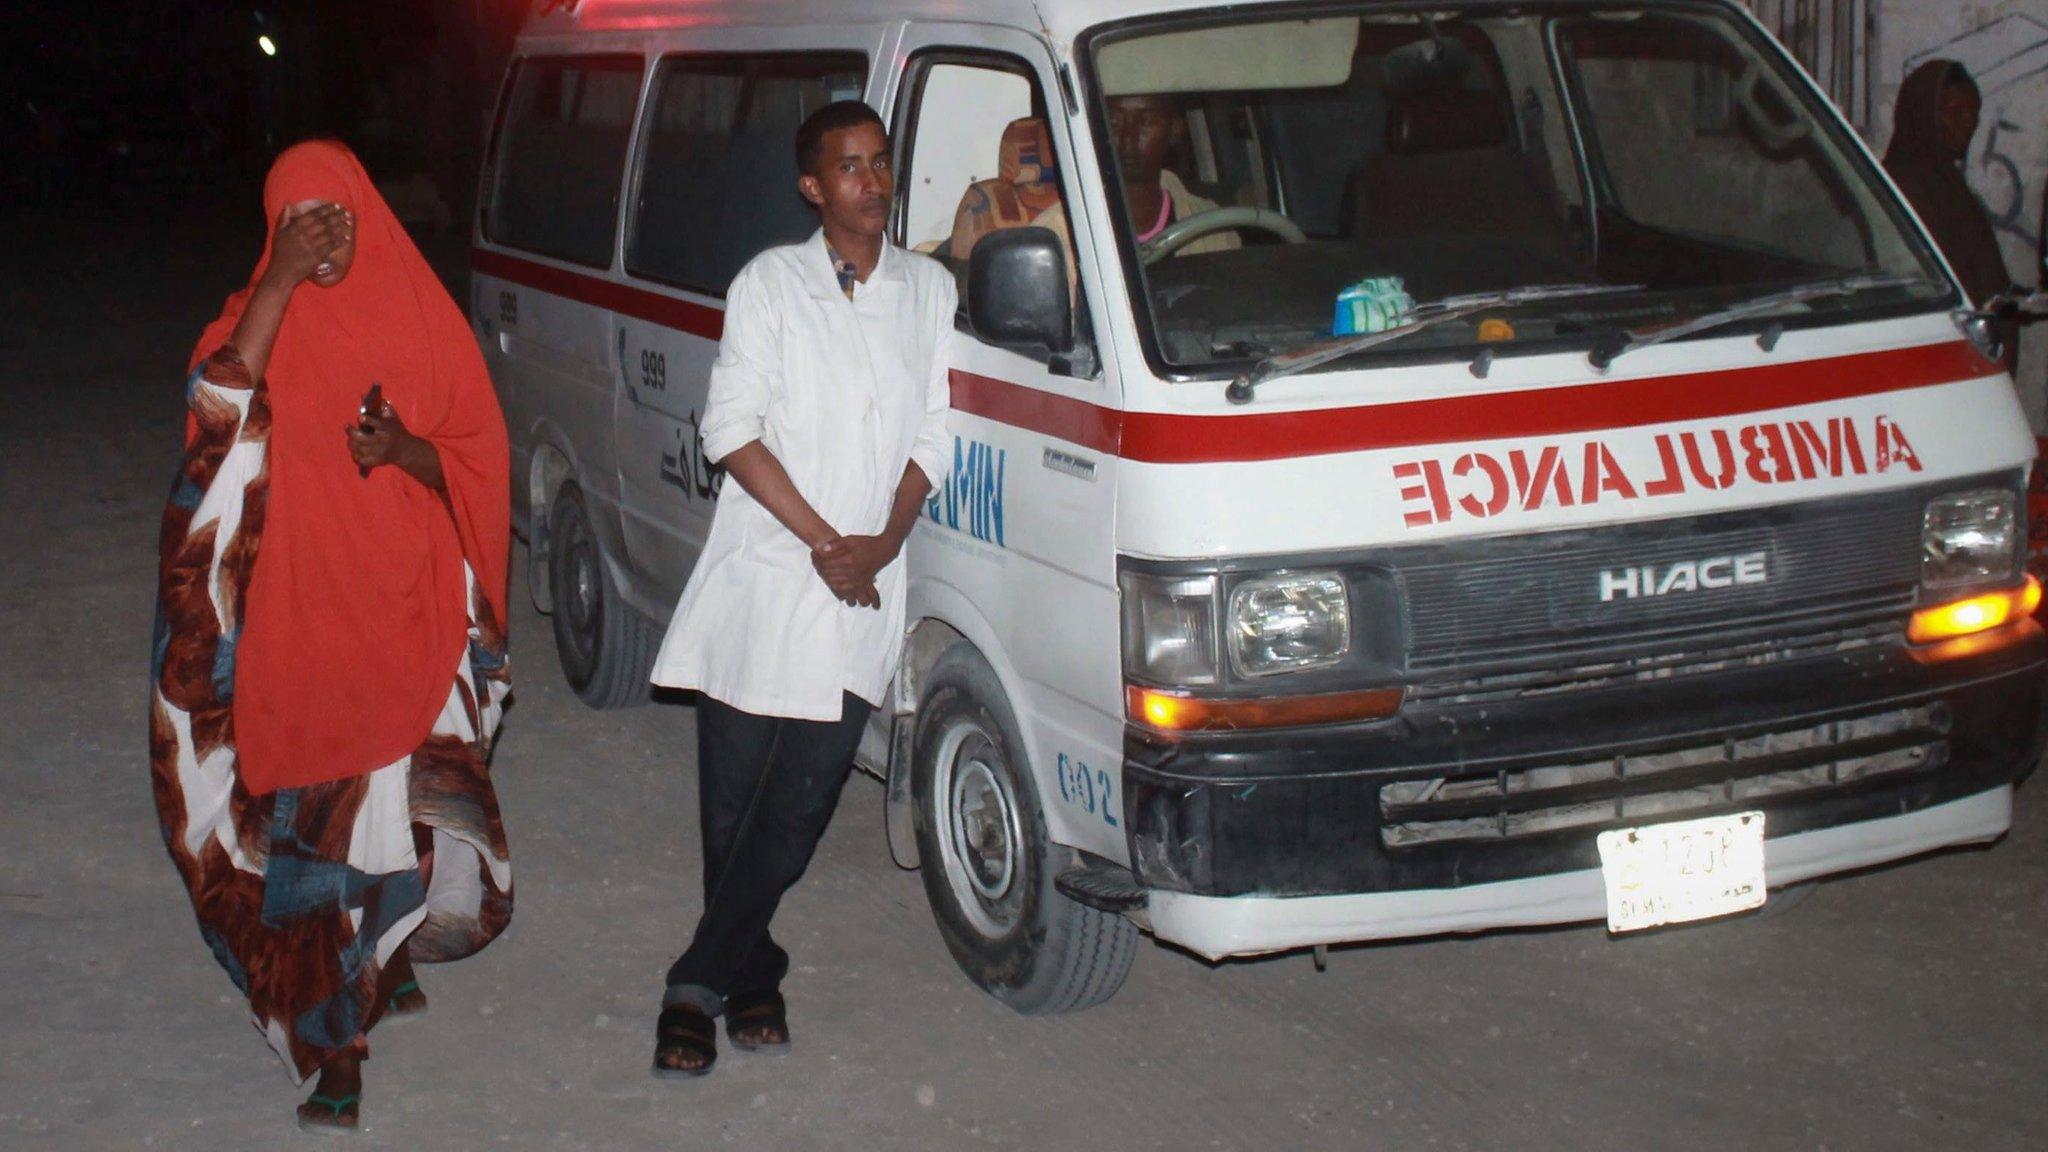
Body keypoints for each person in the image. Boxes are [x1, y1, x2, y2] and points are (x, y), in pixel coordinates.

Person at [150, 139, 514, 1134]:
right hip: (295, 628)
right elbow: (214, 414)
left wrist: (402, 449)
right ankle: (333, 1048)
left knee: (395, 814)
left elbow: (477, 468)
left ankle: (382, 960)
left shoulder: (420, 317)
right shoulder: (253, 320)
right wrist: (276, 282)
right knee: (314, 839)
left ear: (369, 212)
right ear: (273, 230)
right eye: (300, 218)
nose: (325, 235)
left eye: (337, 214)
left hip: (409, 614)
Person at [646, 100, 953, 1077]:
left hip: (866, 582)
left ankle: (694, 978)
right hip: (770, 575)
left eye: (880, 163)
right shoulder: (769, 285)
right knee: (731, 809)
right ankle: (752, 971)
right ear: (813, 188)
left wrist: (881, 542)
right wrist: (827, 542)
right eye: (848, 167)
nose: (871, 181)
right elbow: (728, 428)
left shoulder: (929, 289)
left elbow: (931, 435)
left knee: (798, 810)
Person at [1885, 59, 2018, 366]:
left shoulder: (1947, 183)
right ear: (1922, 114)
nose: (1967, 123)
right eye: (1955, 112)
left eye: (1973, 114)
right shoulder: (1903, 188)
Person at [1033, 92, 1240, 257]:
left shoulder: (1212, 227)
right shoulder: (1058, 235)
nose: (1128, 140)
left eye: (1147, 121)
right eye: (1112, 121)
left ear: (1174, 130)